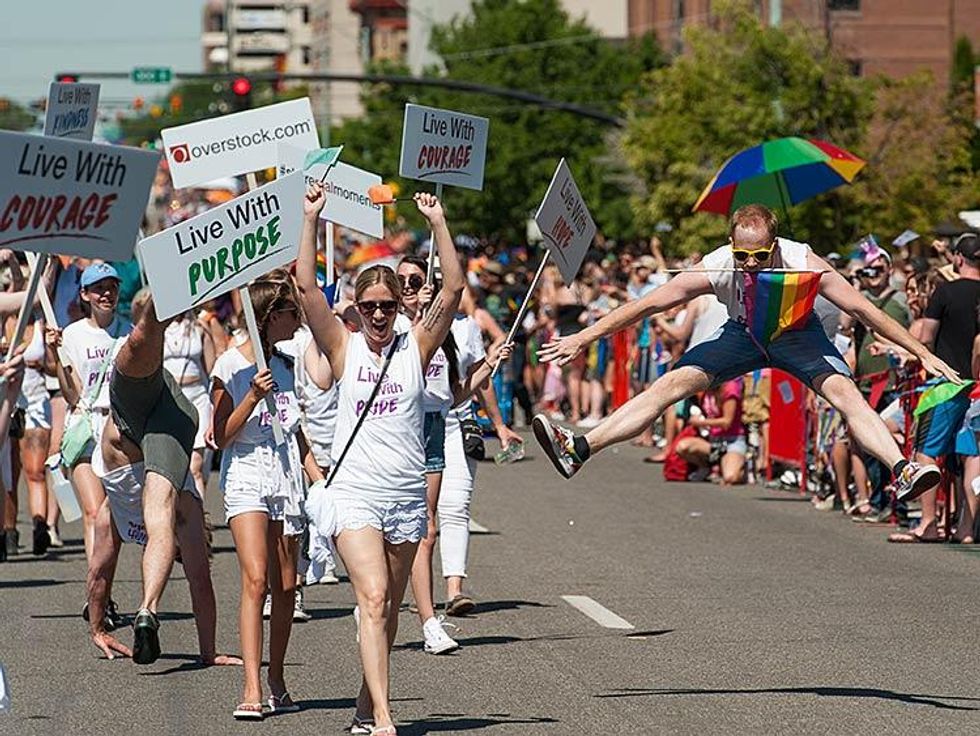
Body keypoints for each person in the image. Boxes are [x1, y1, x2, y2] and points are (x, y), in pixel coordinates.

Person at [533, 204, 958, 505]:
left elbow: (863, 309)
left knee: (847, 396)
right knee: (670, 385)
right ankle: (581, 448)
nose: (750, 264)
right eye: (743, 255)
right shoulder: (719, 264)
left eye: (759, 255)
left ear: (775, 245)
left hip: (798, 333)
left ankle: (902, 469)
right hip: (743, 335)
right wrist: (583, 336)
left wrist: (922, 352)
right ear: (731, 245)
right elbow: (649, 305)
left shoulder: (802, 261)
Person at [297, 182, 463, 736]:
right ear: (356, 308)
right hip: (355, 496)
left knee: (387, 607)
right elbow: (305, 289)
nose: (377, 315)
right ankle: (386, 719)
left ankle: (366, 708)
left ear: (398, 307)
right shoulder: (342, 347)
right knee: (371, 595)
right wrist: (311, 218)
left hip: (404, 496)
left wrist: (438, 222)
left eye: (387, 306)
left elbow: (455, 289)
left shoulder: (415, 348)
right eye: (368, 307)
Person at [210, 274, 315, 719]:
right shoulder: (229, 365)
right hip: (247, 471)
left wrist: (319, 476)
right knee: (256, 579)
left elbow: (298, 432)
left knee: (286, 585)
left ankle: (276, 677)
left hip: (285, 473)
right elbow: (220, 436)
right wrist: (251, 396)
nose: (298, 321)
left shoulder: (288, 365)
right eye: (293, 313)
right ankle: (252, 685)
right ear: (271, 317)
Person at [106, 286, 202, 664]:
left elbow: (100, 562)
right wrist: (209, 652)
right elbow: (202, 582)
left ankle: (147, 608)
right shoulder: (190, 509)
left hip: (134, 439)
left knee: (155, 526)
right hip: (159, 421)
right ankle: (148, 608)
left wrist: (98, 626)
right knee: (162, 523)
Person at [48, 263, 131, 630]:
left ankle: (103, 592)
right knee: (94, 513)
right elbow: (72, 394)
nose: (105, 294)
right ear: (84, 295)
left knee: (110, 521)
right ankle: (97, 596)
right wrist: (56, 357)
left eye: (111, 287)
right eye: (97, 288)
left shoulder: (129, 331)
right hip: (85, 427)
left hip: (119, 429)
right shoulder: (72, 335)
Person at [889, 232, 980, 542]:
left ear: (957, 259)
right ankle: (966, 528)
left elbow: (926, 337)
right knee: (971, 455)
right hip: (978, 387)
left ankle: (928, 523)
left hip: (948, 384)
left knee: (926, 452)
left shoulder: (945, 292)